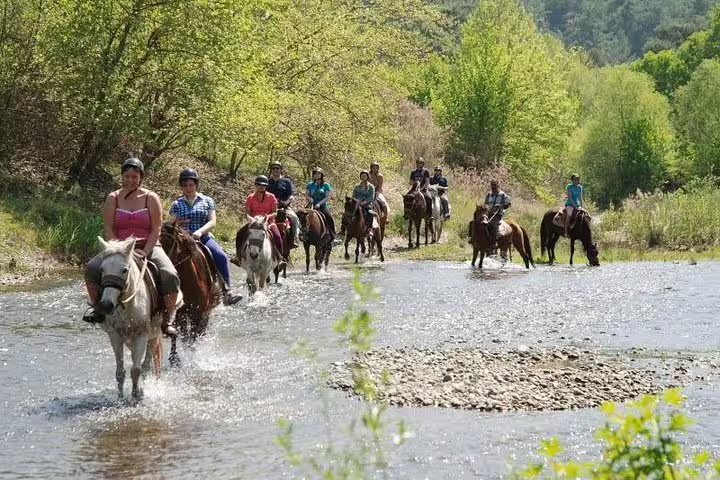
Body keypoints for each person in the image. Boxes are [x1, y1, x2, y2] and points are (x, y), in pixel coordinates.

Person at [83, 157, 180, 336]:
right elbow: (108, 228)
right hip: (118, 248)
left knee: (170, 273)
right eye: (127, 176)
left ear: (140, 177)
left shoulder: (151, 198)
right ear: (122, 176)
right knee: (91, 268)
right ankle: (97, 307)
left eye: (134, 177)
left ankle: (169, 318)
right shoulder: (113, 198)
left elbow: (157, 227)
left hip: (147, 245)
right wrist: (118, 249)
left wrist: (146, 250)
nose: (130, 180)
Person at [169, 168, 242, 305]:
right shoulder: (176, 204)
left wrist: (200, 232)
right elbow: (172, 223)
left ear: (196, 185)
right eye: (185, 185)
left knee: (220, 255)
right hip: (183, 239)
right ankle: (166, 294)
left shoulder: (207, 201)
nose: (188, 188)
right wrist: (178, 224)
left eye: (191, 185)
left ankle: (227, 290)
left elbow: (212, 221)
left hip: (203, 237)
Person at [243, 175, 284, 255]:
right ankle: (239, 256)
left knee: (277, 237)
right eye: (259, 184)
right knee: (240, 234)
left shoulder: (271, 197)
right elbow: (248, 213)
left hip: (268, 222)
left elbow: (275, 212)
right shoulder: (250, 198)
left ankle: (280, 258)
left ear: (266, 186)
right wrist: (251, 219)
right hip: (254, 222)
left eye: (264, 185)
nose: (261, 187)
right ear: (255, 185)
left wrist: (268, 217)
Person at [467, 180, 511, 249]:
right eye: (492, 185)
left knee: (492, 224)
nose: (493, 187)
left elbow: (508, 203)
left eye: (494, 186)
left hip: (497, 213)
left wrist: (502, 205)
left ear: (498, 186)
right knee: (473, 222)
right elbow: (485, 204)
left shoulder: (503, 195)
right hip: (487, 213)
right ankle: (472, 238)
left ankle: (494, 241)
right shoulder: (489, 194)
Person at [267, 161, 300, 248]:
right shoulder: (267, 182)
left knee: (294, 218)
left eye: (277, 168)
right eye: (273, 168)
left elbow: (291, 195)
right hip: (269, 208)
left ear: (281, 170)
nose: (275, 170)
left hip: (284, 207)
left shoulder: (286, 181)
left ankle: (294, 240)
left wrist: (286, 202)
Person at [305, 167, 337, 240]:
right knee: (302, 216)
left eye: (318, 173)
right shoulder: (310, 185)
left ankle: (333, 236)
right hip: (311, 204)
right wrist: (310, 199)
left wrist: (319, 204)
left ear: (322, 175)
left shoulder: (326, 185)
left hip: (322, 206)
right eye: (315, 174)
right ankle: (302, 234)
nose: (316, 175)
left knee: (330, 218)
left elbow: (327, 197)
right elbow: (307, 195)